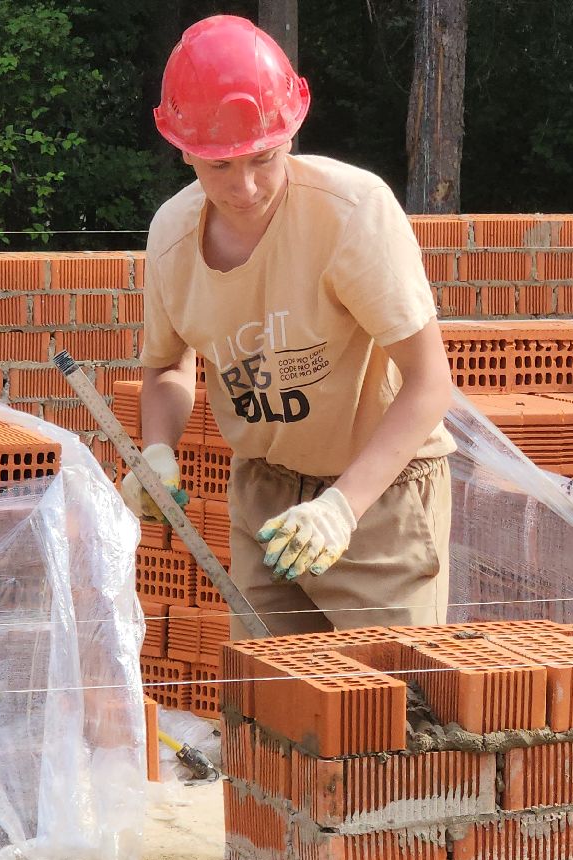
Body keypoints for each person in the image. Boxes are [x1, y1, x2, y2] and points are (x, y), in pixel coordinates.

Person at [128, 15, 455, 636]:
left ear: (290, 133)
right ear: (182, 147)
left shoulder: (351, 214)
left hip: (378, 495)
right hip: (266, 495)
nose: (245, 187)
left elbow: (428, 382)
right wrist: (157, 448)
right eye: (218, 166)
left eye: (263, 158)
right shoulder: (171, 235)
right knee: (270, 708)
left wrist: (341, 508)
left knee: (389, 710)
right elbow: (168, 365)